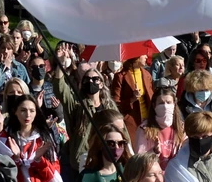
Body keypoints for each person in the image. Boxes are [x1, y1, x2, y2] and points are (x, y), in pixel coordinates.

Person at [52, 45, 119, 175]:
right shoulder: (77, 105)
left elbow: (121, 129)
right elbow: (60, 89)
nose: (91, 81)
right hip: (83, 162)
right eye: (87, 79)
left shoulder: (109, 106)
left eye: (95, 79)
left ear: (101, 83)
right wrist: (61, 63)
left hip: (108, 159)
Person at [135, 88, 184, 171]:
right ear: (154, 106)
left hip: (175, 175)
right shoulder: (144, 129)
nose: (165, 106)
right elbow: (139, 160)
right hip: (154, 176)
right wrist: (154, 151)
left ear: (174, 104)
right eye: (161, 103)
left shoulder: (182, 127)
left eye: (168, 103)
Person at [112, 55, 154, 141]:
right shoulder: (120, 77)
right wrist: (132, 100)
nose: (146, 57)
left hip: (148, 121)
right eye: (144, 54)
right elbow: (115, 104)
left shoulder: (147, 75)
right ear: (137, 57)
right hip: (131, 122)